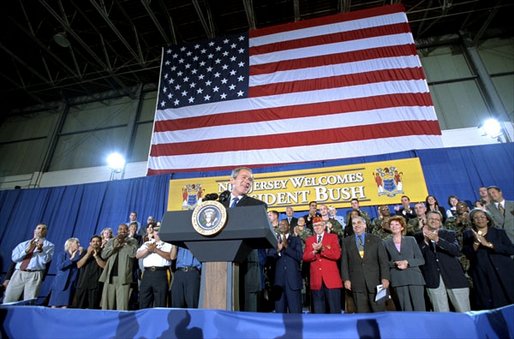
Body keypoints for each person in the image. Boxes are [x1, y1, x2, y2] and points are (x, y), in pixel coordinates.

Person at [221, 167, 268, 312]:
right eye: (244, 177)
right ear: (232, 180)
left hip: (248, 263)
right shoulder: (218, 205)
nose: (247, 181)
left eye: (250, 180)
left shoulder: (258, 206)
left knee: (248, 307)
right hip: (221, 263)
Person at [414, 210, 470, 312]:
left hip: (454, 278)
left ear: (440, 222)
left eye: (437, 219)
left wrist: (438, 240)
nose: (434, 221)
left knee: (464, 311)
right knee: (441, 313)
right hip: (433, 280)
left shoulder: (449, 234)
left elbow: (456, 251)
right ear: (426, 220)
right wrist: (425, 241)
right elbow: (417, 256)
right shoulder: (417, 237)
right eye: (431, 219)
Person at [462, 209, 514, 309]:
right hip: (484, 277)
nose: (479, 219)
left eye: (482, 217)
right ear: (472, 221)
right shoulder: (468, 235)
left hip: (505, 274)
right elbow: (468, 254)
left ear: (487, 219)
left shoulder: (499, 232)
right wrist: (476, 243)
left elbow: (511, 249)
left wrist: (489, 244)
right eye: (476, 218)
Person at [341, 216, 390, 313]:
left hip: (376, 282)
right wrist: (346, 279)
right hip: (357, 283)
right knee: (362, 312)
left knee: (379, 311)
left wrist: (385, 277)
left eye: (359, 223)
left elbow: (383, 261)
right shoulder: (346, 242)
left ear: (364, 225)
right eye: (354, 223)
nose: (356, 225)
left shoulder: (376, 239)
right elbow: (344, 262)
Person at [3, 223, 55, 303]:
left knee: (29, 301)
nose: (41, 230)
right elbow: (14, 258)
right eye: (39, 228)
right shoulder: (23, 244)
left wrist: (41, 250)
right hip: (18, 273)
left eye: (43, 229)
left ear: (46, 232)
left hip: (35, 274)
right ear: (34, 230)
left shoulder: (50, 246)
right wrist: (27, 250)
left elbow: (45, 260)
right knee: (8, 299)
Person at [383, 217, 426, 311]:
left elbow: (420, 259)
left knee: (419, 308)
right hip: (398, 279)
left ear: (402, 227)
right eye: (392, 225)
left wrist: (407, 262)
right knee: (405, 309)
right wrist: (394, 263)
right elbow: (385, 262)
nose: (394, 227)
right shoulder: (385, 243)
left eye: (397, 224)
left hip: (414, 278)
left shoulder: (411, 240)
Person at [303, 217, 342, 314]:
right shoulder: (309, 240)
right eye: (315, 226)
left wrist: (323, 249)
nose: (317, 227)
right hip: (316, 281)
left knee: (334, 310)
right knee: (319, 311)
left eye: (319, 225)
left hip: (331, 280)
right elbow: (305, 257)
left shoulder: (332, 237)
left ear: (324, 226)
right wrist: (314, 252)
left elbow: (337, 255)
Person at [99, 223, 138, 310]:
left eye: (125, 229)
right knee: (107, 305)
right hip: (110, 277)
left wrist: (124, 244)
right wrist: (114, 246)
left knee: (122, 306)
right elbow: (104, 255)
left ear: (128, 231)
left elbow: (133, 254)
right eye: (120, 229)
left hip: (123, 277)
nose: (122, 231)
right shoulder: (111, 241)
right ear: (117, 231)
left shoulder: (133, 241)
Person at [267, 220, 303, 313]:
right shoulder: (275, 240)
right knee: (279, 313)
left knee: (295, 312)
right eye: (280, 224)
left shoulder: (296, 240)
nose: (282, 226)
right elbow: (269, 257)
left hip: (293, 282)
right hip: (278, 283)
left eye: (284, 224)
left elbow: (299, 256)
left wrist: (287, 247)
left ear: (289, 226)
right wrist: (278, 250)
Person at [136, 227, 173, 308]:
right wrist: (148, 250)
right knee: (144, 298)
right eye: (156, 231)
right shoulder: (147, 243)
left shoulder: (168, 244)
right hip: (147, 273)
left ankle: (160, 319)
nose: (157, 233)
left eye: (160, 231)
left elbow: (170, 256)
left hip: (161, 273)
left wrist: (156, 250)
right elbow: (138, 255)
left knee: (161, 300)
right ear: (153, 233)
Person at [48, 238, 82, 308]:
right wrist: (71, 259)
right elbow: (60, 267)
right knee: (54, 306)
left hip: (70, 284)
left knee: (65, 307)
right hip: (60, 284)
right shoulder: (62, 254)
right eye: (77, 243)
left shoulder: (78, 257)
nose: (79, 244)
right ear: (70, 244)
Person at [75, 235, 105, 309]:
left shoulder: (103, 253)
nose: (95, 243)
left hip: (96, 285)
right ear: (90, 243)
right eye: (93, 241)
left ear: (101, 243)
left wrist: (96, 256)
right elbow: (79, 265)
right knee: (80, 308)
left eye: (97, 241)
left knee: (93, 308)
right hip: (82, 284)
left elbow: (104, 266)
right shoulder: (85, 252)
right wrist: (88, 254)